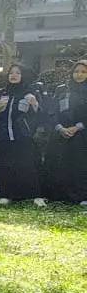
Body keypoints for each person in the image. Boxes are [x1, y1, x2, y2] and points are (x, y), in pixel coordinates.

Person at [0, 63, 46, 206]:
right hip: (3, 137)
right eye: (11, 73)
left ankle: (35, 196)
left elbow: (42, 115)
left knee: (27, 166)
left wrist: (34, 105)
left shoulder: (31, 92)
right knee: (4, 166)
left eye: (17, 73)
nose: (13, 75)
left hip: (23, 137)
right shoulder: (1, 93)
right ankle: (4, 195)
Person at [44, 57, 87, 206]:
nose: (79, 74)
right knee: (59, 163)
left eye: (83, 72)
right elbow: (52, 111)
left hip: (82, 134)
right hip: (60, 133)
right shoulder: (61, 89)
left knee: (80, 165)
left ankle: (81, 196)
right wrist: (60, 128)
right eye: (76, 71)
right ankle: (59, 196)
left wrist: (77, 127)